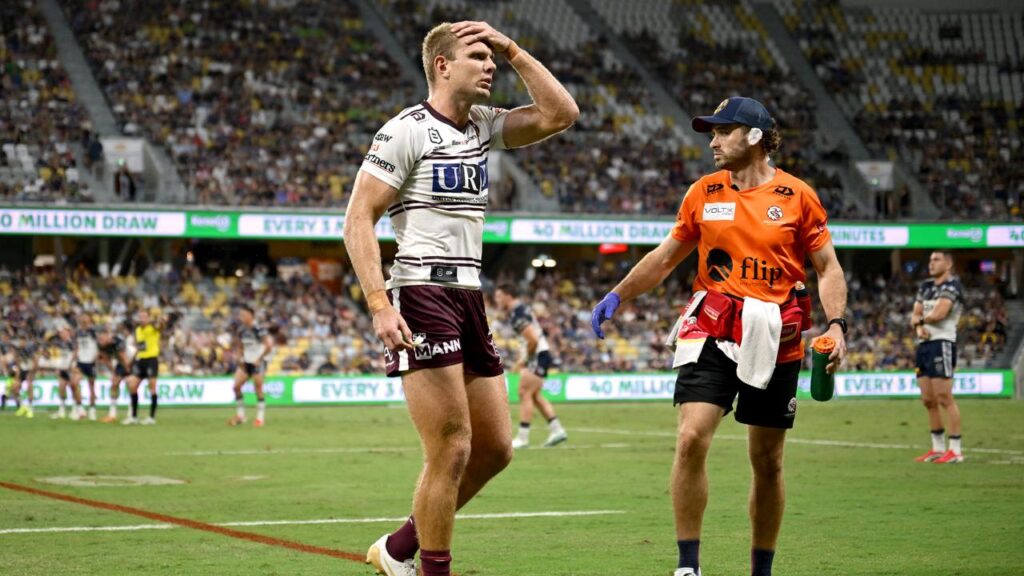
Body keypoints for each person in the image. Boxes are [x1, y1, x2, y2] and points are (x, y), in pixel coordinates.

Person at [344, 20, 577, 576]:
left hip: (469, 293)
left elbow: (561, 114)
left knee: (495, 449)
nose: (491, 65)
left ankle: (398, 548)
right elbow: (358, 219)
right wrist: (379, 304)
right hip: (421, 290)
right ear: (443, 66)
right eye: (479, 56)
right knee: (451, 447)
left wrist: (513, 49)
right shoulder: (405, 131)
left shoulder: (482, 126)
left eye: (492, 58)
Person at [591, 96, 848, 576]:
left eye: (722, 131)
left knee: (767, 461)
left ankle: (761, 569)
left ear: (754, 137)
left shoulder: (798, 196)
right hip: (711, 326)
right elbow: (665, 258)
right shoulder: (703, 192)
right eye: (711, 132)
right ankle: (688, 566)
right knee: (691, 438)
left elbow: (828, 267)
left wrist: (837, 324)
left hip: (775, 334)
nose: (712, 141)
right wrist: (618, 294)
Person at [493, 283, 567, 449]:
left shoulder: (518, 313)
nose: (497, 299)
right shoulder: (520, 310)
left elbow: (532, 340)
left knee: (524, 392)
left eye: (499, 296)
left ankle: (523, 437)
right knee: (534, 395)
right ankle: (557, 430)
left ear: (508, 295)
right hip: (541, 354)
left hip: (537, 355)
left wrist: (524, 360)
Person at [910, 250, 965, 464]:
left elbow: (939, 314)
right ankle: (938, 448)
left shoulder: (953, 286)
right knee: (928, 399)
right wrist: (919, 327)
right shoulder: (925, 286)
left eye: (936, 260)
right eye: (930, 260)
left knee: (944, 397)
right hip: (924, 345)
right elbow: (915, 314)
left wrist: (920, 322)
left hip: (942, 343)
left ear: (948, 264)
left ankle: (955, 450)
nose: (931, 263)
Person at [228, 305, 273, 427]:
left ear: (250, 315)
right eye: (240, 315)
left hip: (257, 362)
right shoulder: (241, 330)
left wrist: (259, 359)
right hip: (246, 362)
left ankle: (260, 418)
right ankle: (241, 416)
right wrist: (239, 357)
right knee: (236, 387)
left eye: (243, 315)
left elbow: (268, 346)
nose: (240, 317)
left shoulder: (258, 329)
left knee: (258, 389)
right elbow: (240, 345)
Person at [123, 309, 163, 425]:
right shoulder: (138, 330)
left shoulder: (153, 327)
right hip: (141, 360)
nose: (142, 319)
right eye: (140, 317)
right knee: (132, 386)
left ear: (149, 318)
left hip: (152, 360)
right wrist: (131, 361)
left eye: (144, 317)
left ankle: (151, 417)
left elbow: (160, 326)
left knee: (152, 388)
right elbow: (139, 347)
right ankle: (134, 417)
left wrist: (161, 320)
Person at [97, 325, 132, 423]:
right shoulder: (101, 345)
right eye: (99, 338)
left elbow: (124, 357)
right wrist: (113, 373)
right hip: (120, 362)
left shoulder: (118, 341)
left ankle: (131, 413)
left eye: (102, 338)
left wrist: (129, 371)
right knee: (114, 384)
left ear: (107, 335)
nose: (100, 340)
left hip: (131, 360)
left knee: (130, 385)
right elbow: (105, 360)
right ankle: (112, 414)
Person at [50, 324, 84, 420]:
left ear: (68, 332)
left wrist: (71, 364)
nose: (62, 334)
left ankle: (76, 410)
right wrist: (59, 366)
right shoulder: (61, 343)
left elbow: (76, 353)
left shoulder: (72, 342)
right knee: (61, 387)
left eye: (63, 332)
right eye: (61, 332)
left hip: (72, 368)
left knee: (73, 387)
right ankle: (61, 410)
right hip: (63, 368)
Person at [74, 313, 101, 420]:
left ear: (89, 320)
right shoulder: (78, 332)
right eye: (82, 318)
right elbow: (77, 346)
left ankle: (92, 409)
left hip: (91, 362)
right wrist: (75, 357)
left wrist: (96, 358)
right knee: (74, 383)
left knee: (91, 386)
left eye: (86, 318)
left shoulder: (93, 331)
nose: (84, 320)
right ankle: (80, 409)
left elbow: (98, 345)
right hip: (80, 362)